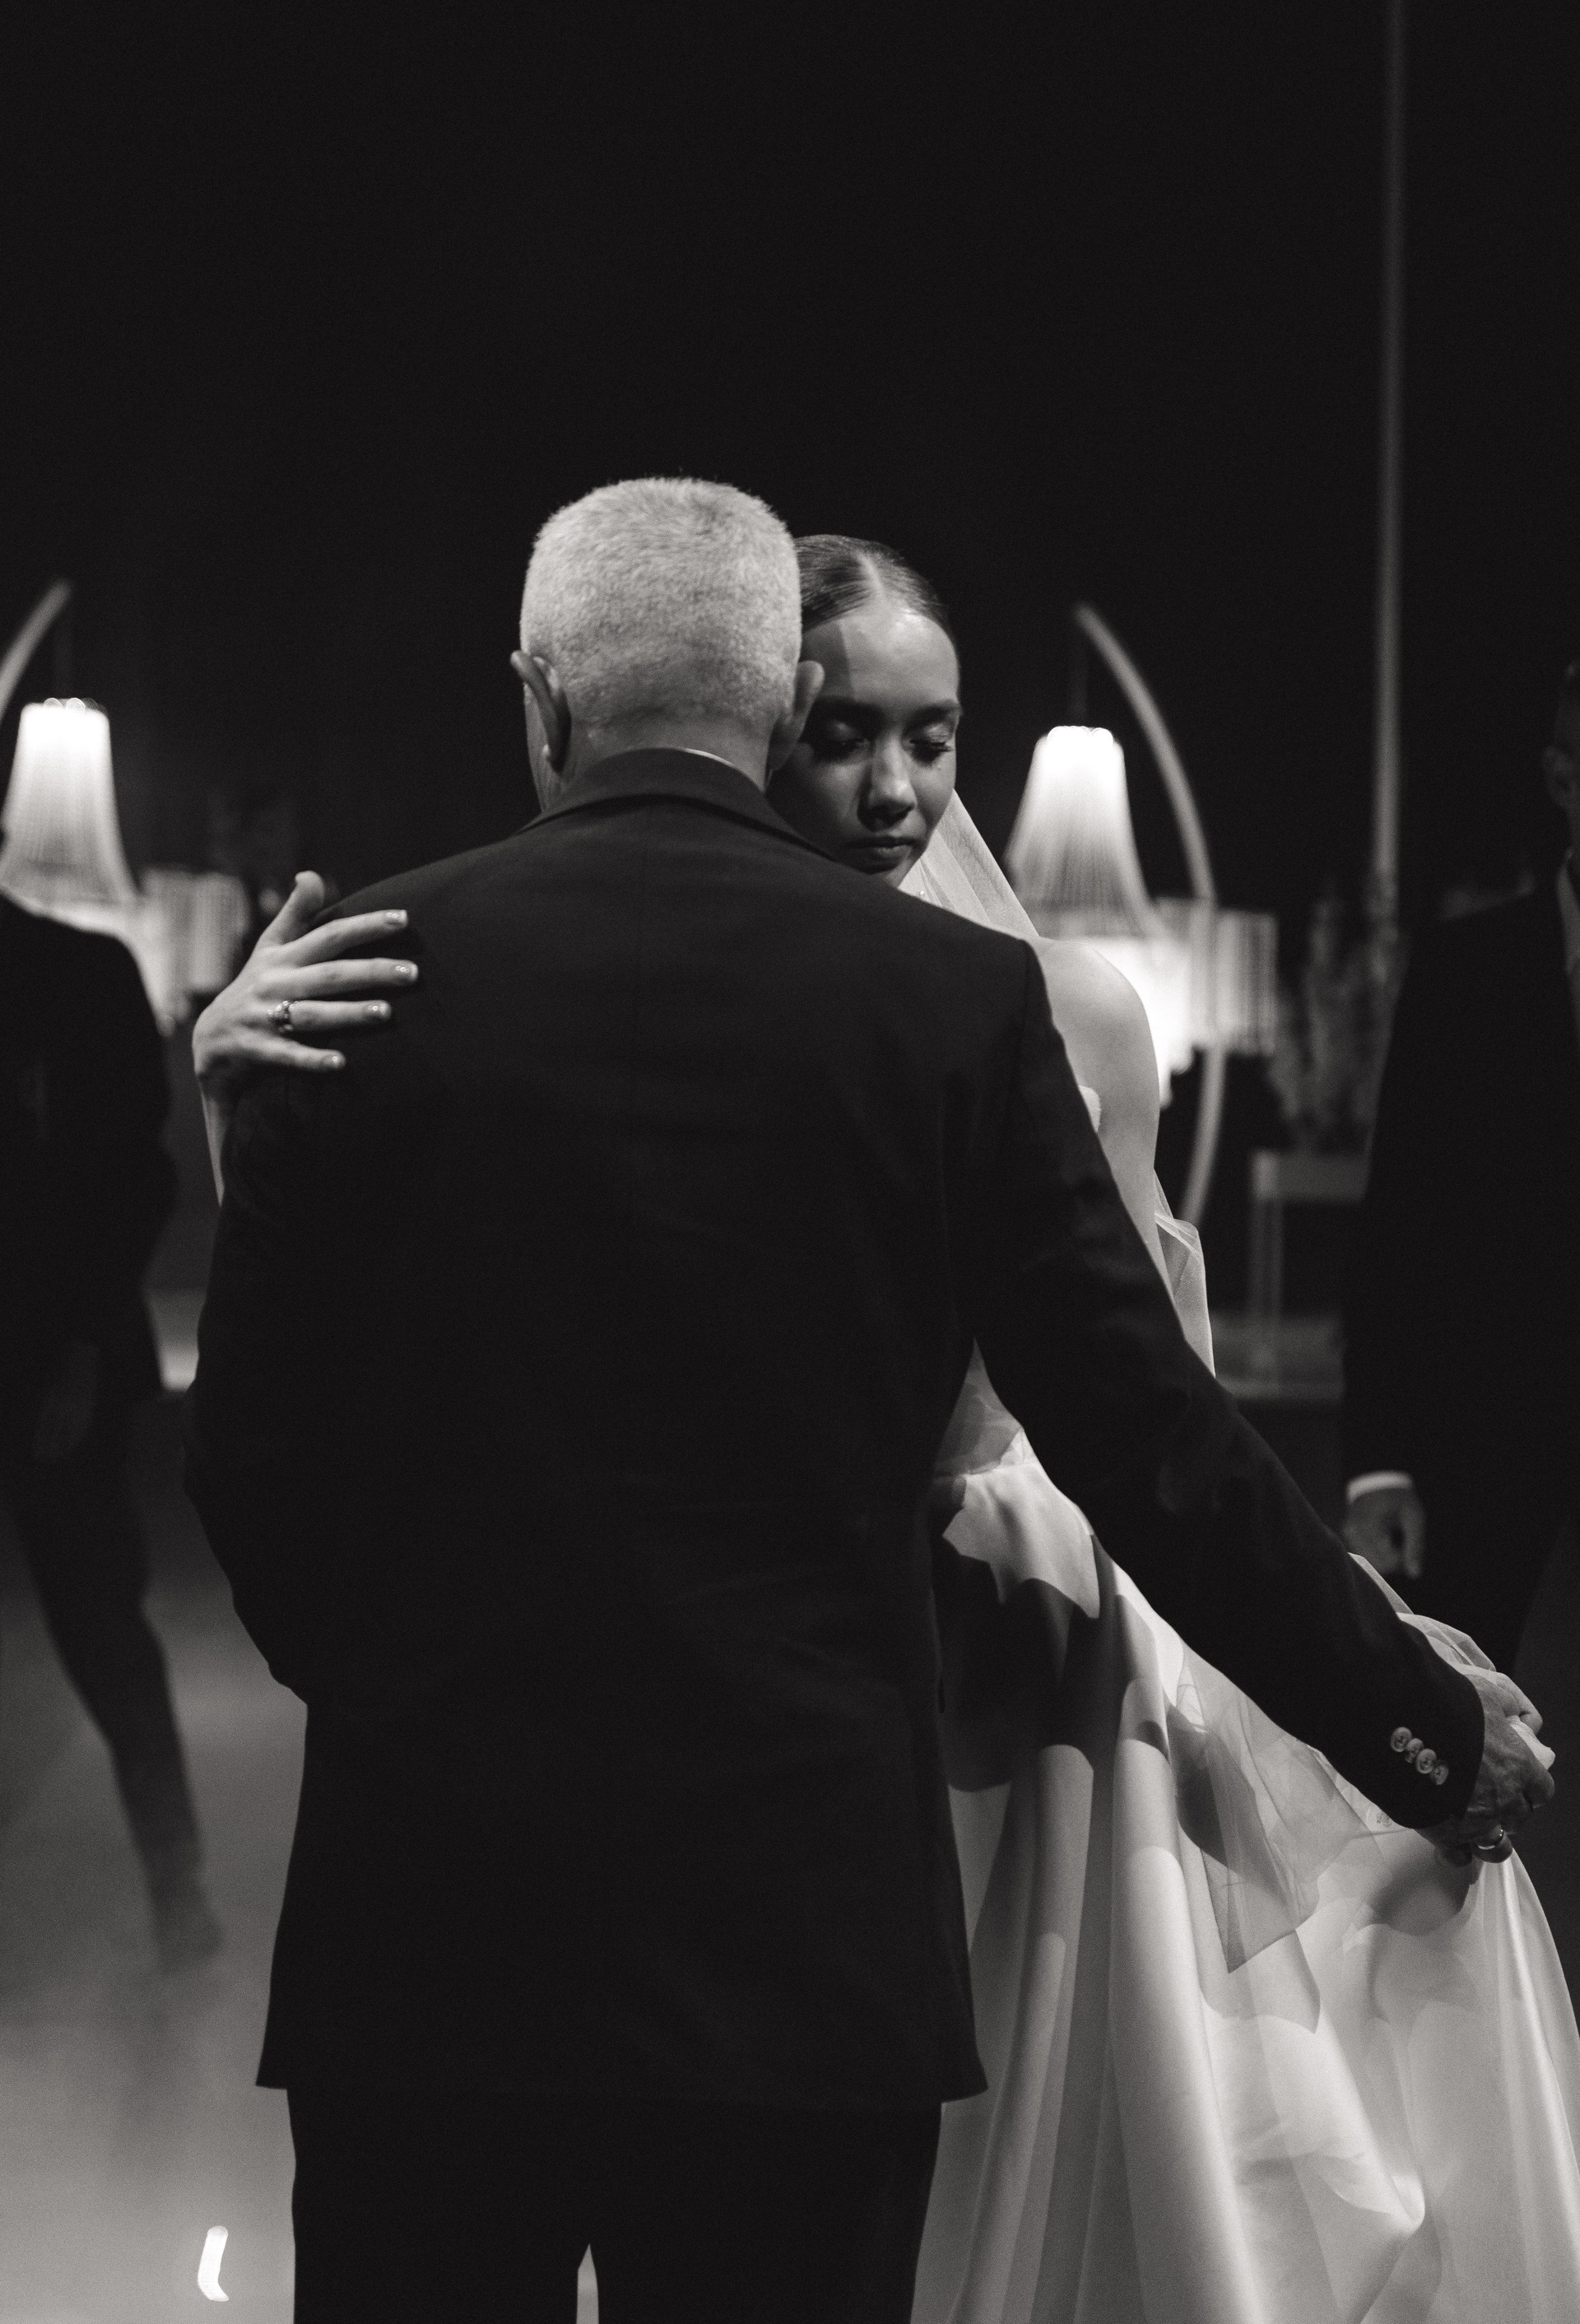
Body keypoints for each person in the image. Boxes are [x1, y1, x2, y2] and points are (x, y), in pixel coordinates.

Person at [185, 482, 1543, 2324]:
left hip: (430, 1928)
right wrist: (1416, 1729)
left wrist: (395, 1687)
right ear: (772, 704)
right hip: (799, 1931)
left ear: (540, 696)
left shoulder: (358, 974)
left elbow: (255, 1462)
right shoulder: (956, 1006)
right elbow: (1149, 1444)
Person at [0, 879, 220, 1970]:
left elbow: (134, 1176)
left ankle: (178, 1891)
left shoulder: (75, 973)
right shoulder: (77, 972)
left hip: (56, 1357)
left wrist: (84, 1345)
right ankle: (178, 1896)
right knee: (105, 1630)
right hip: (59, 1352)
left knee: (103, 1632)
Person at [1344, 662, 1580, 1672]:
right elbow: (1399, 1226)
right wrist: (1377, 1464)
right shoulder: (1467, 972)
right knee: (1461, 1736)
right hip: (1484, 1450)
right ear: (1563, 776)